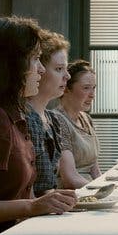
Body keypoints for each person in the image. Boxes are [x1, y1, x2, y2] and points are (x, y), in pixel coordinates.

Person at [0, 16, 76, 235]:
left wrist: (50, 200)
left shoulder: (16, 116)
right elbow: (25, 203)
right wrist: (32, 206)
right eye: (35, 59)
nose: (42, 70)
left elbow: (21, 196)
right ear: (10, 65)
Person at [27, 30, 91, 195]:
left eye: (66, 69)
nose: (67, 76)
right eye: (59, 69)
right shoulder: (23, 118)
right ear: (39, 70)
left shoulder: (53, 119)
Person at [55, 59, 101, 182]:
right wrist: (98, 189)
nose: (92, 95)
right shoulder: (57, 120)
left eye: (94, 88)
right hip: (72, 190)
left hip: (90, 187)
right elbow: (69, 177)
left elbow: (95, 171)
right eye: (86, 88)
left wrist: (108, 188)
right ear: (66, 89)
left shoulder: (86, 119)